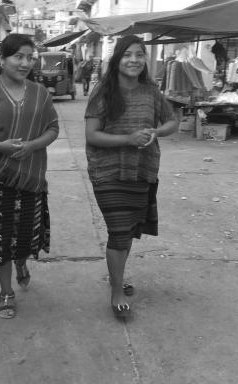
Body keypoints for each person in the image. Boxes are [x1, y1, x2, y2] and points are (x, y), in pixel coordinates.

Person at [0, 34, 59, 319]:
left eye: (30, 57)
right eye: (19, 57)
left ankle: (22, 263)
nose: (25, 63)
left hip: (29, 175)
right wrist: (0, 147)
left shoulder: (40, 93)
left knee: (25, 231)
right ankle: (6, 291)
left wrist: (32, 146)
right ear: (2, 59)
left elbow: (52, 129)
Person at [84, 35, 179, 318]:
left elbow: (172, 121)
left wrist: (156, 132)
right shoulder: (103, 91)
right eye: (128, 54)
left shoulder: (151, 91)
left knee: (127, 232)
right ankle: (116, 292)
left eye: (140, 54)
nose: (134, 60)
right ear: (117, 59)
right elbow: (91, 135)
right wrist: (128, 139)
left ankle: (117, 277)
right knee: (119, 231)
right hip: (108, 171)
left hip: (141, 170)